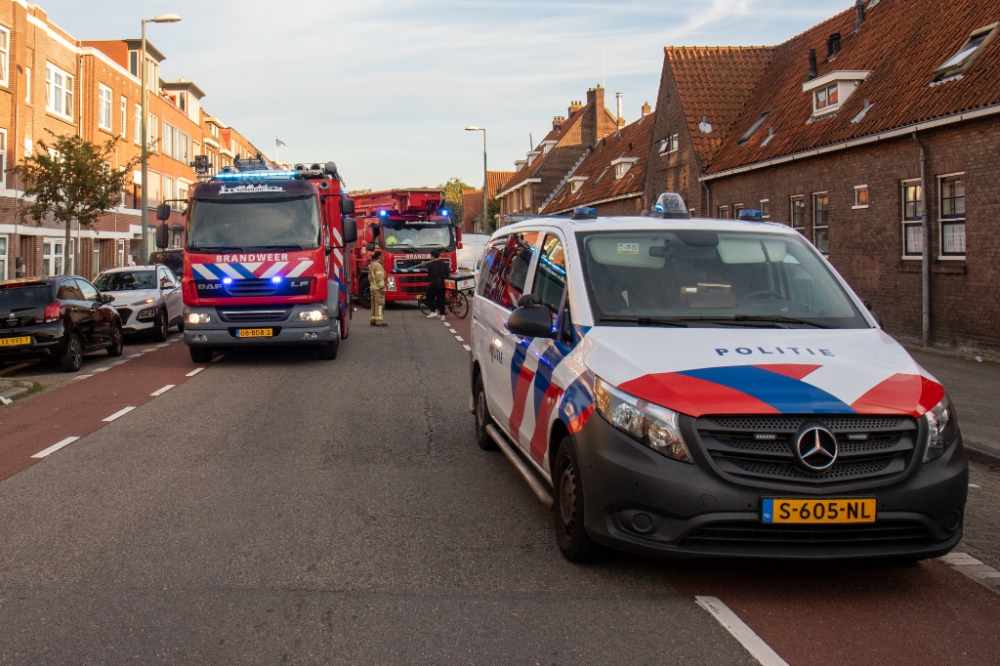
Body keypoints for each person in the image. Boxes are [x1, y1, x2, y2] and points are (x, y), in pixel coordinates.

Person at [425, 249, 450, 320]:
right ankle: (442, 315)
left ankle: (433, 311)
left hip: (434, 284)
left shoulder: (430, 265)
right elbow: (447, 273)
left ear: (432, 256)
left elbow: (429, 275)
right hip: (442, 284)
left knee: (429, 297)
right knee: (441, 299)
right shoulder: (444, 264)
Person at [369, 250, 387, 327]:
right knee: (379, 305)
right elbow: (379, 278)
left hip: (372, 288)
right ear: (379, 257)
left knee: (373, 305)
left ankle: (373, 320)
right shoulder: (379, 266)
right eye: (382, 256)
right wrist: (382, 288)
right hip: (378, 289)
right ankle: (379, 322)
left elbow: (370, 277)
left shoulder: (372, 264)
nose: (383, 257)